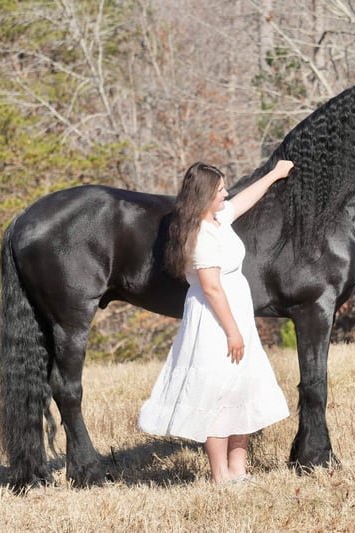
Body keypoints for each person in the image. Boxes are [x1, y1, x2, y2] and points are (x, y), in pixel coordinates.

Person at [138, 159, 294, 484]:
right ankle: (220, 476)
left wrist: (275, 174)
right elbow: (211, 288)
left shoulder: (219, 218)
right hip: (215, 319)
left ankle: (238, 470)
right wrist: (233, 332)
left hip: (236, 312)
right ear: (204, 195)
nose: (225, 194)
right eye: (220, 190)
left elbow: (243, 199)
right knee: (218, 393)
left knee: (240, 388)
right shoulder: (200, 235)